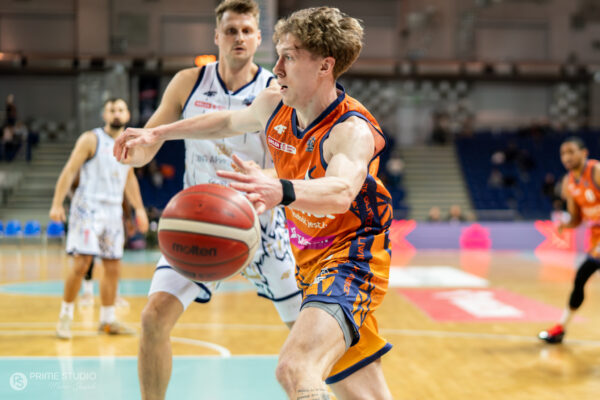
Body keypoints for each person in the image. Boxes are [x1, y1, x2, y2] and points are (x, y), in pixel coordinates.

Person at [115, 6, 393, 399]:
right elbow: (227, 122)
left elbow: (341, 192)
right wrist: (157, 133)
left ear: (324, 66)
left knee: (295, 368)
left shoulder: (351, 131)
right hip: (308, 259)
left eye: (289, 57)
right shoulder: (274, 102)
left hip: (349, 260)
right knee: (360, 391)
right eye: (278, 56)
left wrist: (280, 189)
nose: (276, 68)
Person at [119, 2, 302, 399]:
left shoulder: (276, 90)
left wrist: (268, 180)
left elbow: (294, 166)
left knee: (306, 334)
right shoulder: (188, 82)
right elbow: (151, 141)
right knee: (153, 319)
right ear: (216, 36)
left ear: (258, 38)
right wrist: (134, 154)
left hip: (261, 228)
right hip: (198, 223)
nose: (239, 38)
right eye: (231, 30)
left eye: (247, 31)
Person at [50, 97, 149, 339]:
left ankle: (107, 320)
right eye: (112, 110)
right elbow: (70, 170)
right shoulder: (91, 139)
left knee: (113, 266)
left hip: (113, 210)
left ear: (127, 115)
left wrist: (139, 209)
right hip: (88, 208)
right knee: (82, 263)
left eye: (121, 110)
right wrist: (57, 203)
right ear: (104, 115)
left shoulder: (130, 145)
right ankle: (65, 317)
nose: (116, 114)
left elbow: (129, 178)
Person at [539, 137, 600, 344]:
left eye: (571, 152)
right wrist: (565, 225)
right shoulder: (568, 182)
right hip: (596, 240)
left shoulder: (596, 171)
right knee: (580, 279)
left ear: (584, 153)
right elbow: (577, 219)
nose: (566, 157)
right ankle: (561, 328)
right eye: (563, 153)